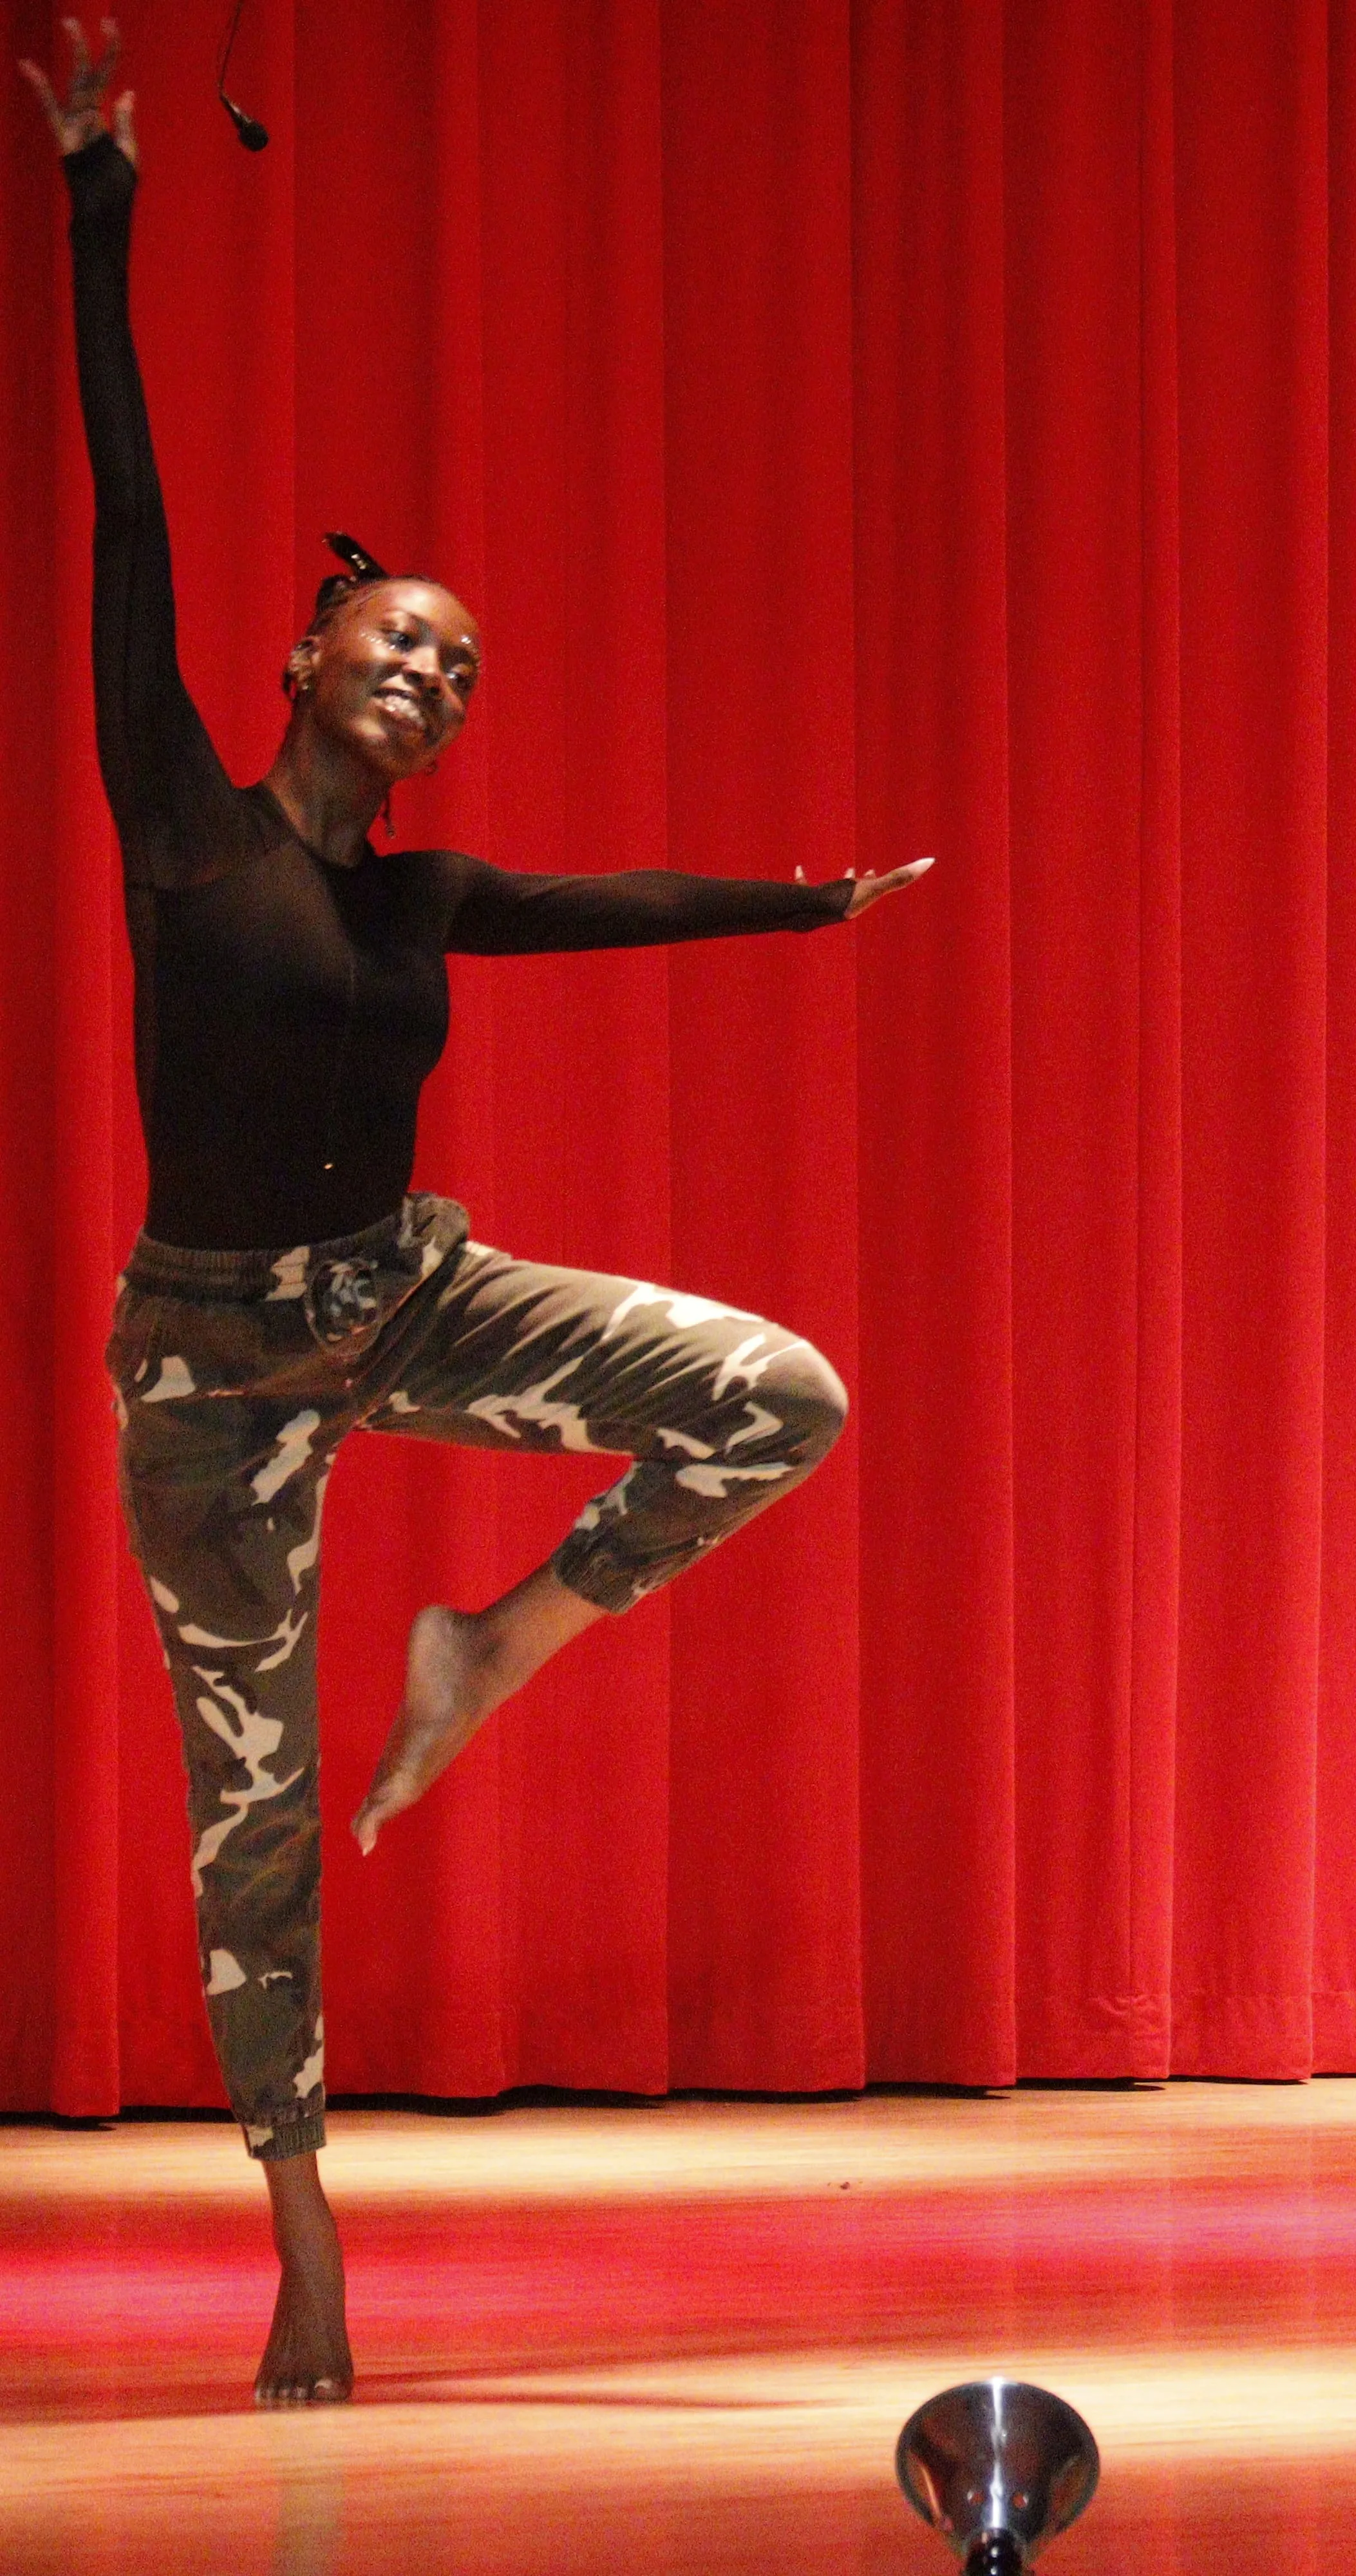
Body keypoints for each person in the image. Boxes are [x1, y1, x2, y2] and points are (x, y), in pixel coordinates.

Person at [33, 24, 927, 2405]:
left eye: (461, 662)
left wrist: (808, 907)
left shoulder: (430, 900)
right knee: (257, 1818)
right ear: (311, 656)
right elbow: (125, 512)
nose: (430, 673)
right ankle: (303, 2232)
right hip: (211, 1371)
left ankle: (499, 1640)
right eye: (399, 639)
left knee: (781, 1394)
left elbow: (617, 898)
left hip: (405, 1302)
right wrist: (102, 196)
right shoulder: (184, 828)